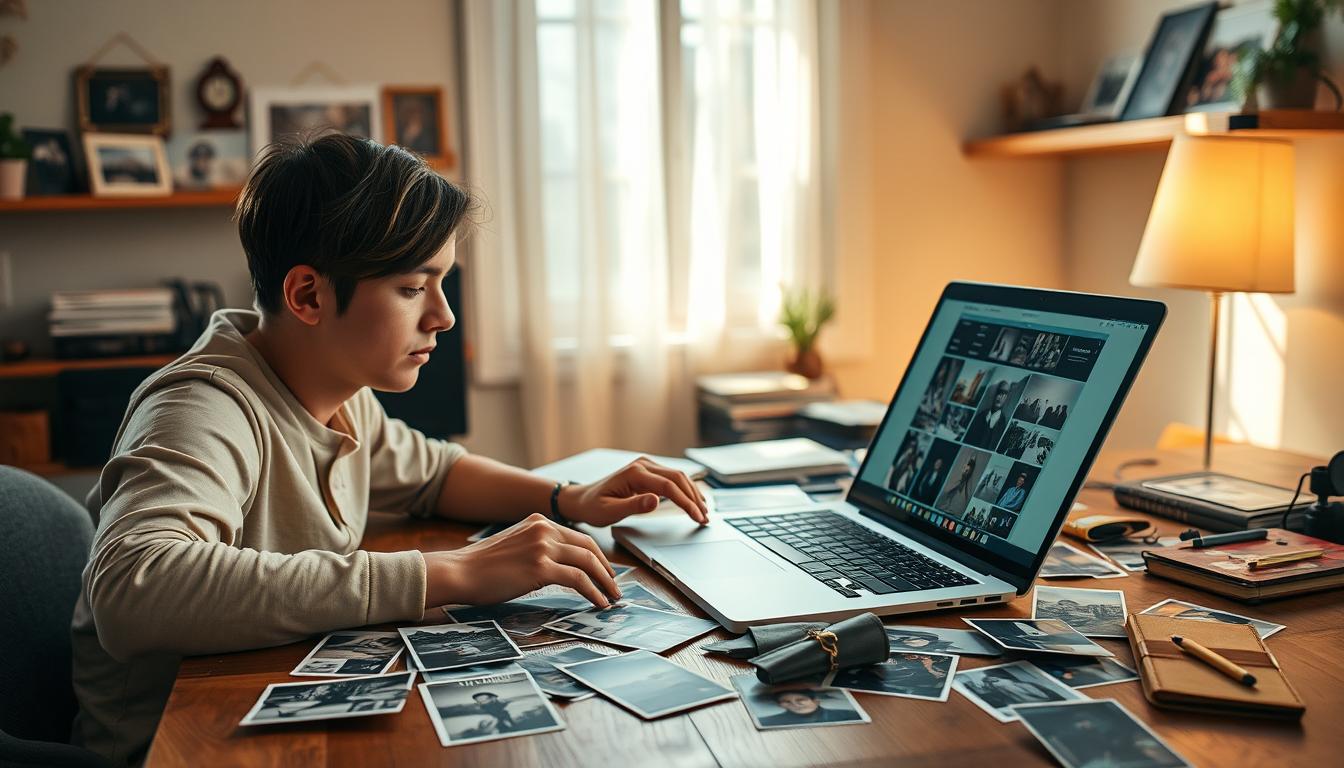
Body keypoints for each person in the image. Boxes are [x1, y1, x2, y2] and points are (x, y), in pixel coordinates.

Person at [69, 134, 711, 767]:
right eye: (413, 288)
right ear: (308, 296)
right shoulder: (201, 406)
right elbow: (135, 589)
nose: (444, 317)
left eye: (442, 284)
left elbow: (434, 473)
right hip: (173, 746)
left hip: (263, 697)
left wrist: (569, 497)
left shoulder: (337, 393)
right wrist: (451, 571)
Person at [757, 689, 855, 727]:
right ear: (780, 705)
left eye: (800, 700)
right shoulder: (766, 722)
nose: (795, 704)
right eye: (786, 702)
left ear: (816, 701)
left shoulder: (850, 715)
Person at [964, 380, 1011, 449]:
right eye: (998, 392)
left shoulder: (1004, 426)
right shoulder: (979, 417)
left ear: (1007, 398)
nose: (999, 396)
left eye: (1004, 393)